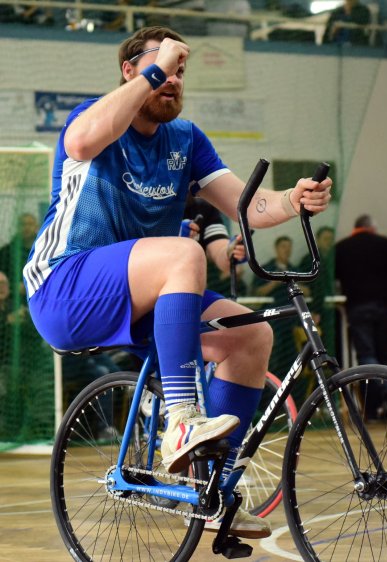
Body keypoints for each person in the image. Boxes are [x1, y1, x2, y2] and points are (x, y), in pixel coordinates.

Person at [22, 25, 331, 539]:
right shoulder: (95, 120)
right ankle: (182, 419)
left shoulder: (186, 139)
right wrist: (157, 66)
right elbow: (79, 142)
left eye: (180, 72)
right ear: (131, 71)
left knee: (251, 336)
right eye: (163, 67)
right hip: (65, 285)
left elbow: (248, 205)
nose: (173, 80)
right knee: (185, 253)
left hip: (148, 290)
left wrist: (292, 200)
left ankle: (213, 492)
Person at [335, 214, 387, 418]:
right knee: (382, 354)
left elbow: (332, 275)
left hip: (357, 307)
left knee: (366, 355)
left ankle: (374, 405)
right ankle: (384, 398)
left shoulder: (342, 248)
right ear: (372, 228)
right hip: (384, 307)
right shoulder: (386, 244)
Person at [252, 235, 297, 376]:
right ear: (276, 249)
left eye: (289, 247)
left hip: (291, 322)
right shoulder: (266, 269)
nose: (287, 250)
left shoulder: (295, 269)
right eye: (284, 247)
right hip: (272, 321)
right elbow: (257, 292)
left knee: (291, 357)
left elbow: (308, 290)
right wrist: (275, 282)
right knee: (274, 357)